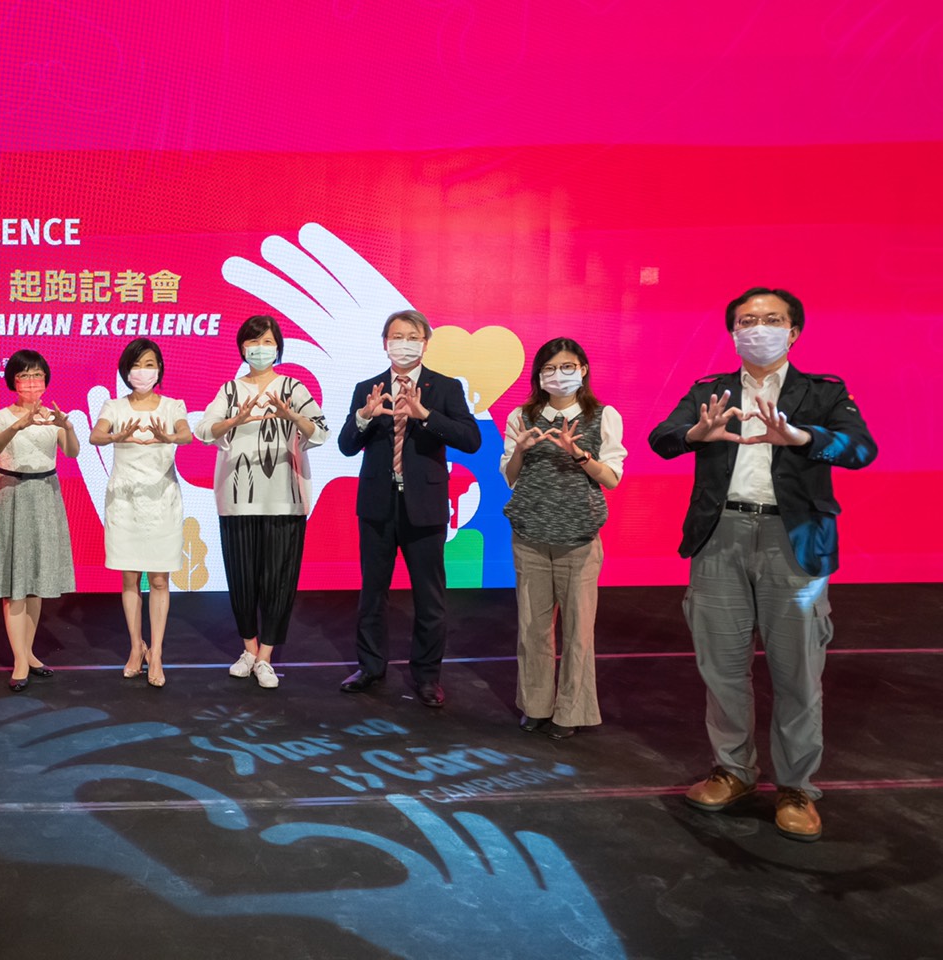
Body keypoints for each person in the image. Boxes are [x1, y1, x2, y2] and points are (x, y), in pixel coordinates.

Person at [649, 287, 876, 842]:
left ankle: (796, 786)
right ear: (732, 333)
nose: (758, 328)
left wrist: (801, 437)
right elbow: (662, 439)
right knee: (721, 667)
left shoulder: (822, 391)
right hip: (719, 535)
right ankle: (733, 770)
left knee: (797, 670)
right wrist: (694, 434)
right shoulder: (711, 389)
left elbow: (862, 449)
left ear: (793, 331)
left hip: (794, 542)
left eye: (771, 319)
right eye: (747, 320)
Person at [336, 309, 480, 707]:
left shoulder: (444, 387)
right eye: (397, 337)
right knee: (372, 593)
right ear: (385, 343)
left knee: (429, 597)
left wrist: (426, 416)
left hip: (425, 505)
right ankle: (370, 667)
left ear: (425, 343)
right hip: (377, 505)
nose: (404, 344)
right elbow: (346, 446)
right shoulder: (368, 388)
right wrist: (363, 417)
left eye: (412, 337)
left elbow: (471, 440)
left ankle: (427, 677)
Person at [499, 338, 626, 740]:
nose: (559, 375)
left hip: (579, 538)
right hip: (530, 535)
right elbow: (510, 477)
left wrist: (579, 454)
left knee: (578, 632)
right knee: (532, 628)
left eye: (567, 367)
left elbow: (612, 478)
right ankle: (535, 706)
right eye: (549, 369)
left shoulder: (602, 415)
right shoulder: (522, 416)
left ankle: (571, 711)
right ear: (539, 375)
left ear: (583, 369)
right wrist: (520, 450)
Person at [193, 315, 328, 689]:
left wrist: (291, 416)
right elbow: (203, 430)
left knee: (278, 580)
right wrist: (234, 420)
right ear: (242, 347)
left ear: (278, 347)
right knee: (242, 578)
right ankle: (249, 650)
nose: (260, 348)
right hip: (237, 499)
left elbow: (321, 431)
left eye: (267, 342)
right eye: (253, 341)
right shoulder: (230, 390)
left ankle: (266, 656)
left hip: (285, 499)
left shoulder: (292, 388)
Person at [90, 338, 190, 687]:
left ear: (159, 369)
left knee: (160, 580)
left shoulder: (173, 405)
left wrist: (170, 437)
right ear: (126, 370)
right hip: (126, 501)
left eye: (149, 364)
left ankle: (157, 652)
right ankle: (136, 647)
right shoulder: (114, 406)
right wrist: (117, 435)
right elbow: (96, 436)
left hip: (162, 500)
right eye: (136, 365)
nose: (143, 371)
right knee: (129, 578)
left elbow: (186, 434)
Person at [0, 350, 78, 691]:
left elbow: (72, 452)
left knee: (37, 578)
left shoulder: (52, 416)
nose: (31, 382)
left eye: (37, 375)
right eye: (24, 376)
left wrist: (66, 426)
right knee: (15, 582)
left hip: (46, 493)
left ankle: (30, 652)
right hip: (12, 493)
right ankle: (20, 660)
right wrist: (17, 425)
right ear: (13, 381)